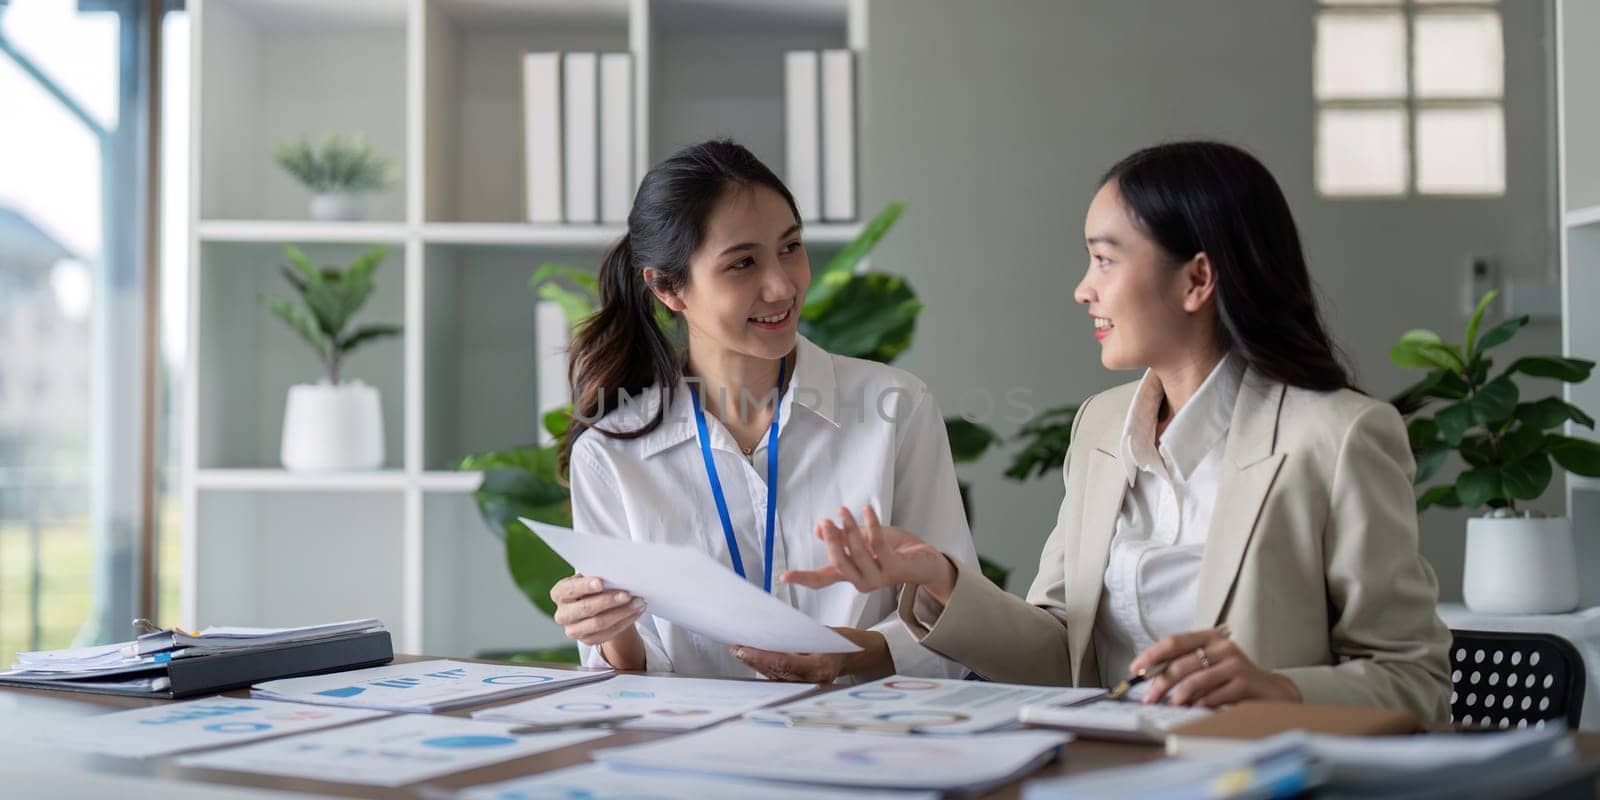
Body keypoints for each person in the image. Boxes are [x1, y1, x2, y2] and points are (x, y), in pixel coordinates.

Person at [782, 141, 1452, 723]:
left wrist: (1277, 689)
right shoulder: (1101, 427)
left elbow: (1417, 684)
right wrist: (940, 578)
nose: (1083, 289)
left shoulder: (1339, 437)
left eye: (1104, 260)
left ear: (1196, 279)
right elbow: (1057, 653)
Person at [548, 139, 978, 682]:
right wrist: (609, 629)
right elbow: (629, 680)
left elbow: (959, 621)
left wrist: (853, 652)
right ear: (667, 288)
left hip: (868, 739)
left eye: (791, 247)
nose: (781, 286)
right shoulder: (611, 454)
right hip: (692, 756)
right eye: (743, 263)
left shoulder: (896, 409)